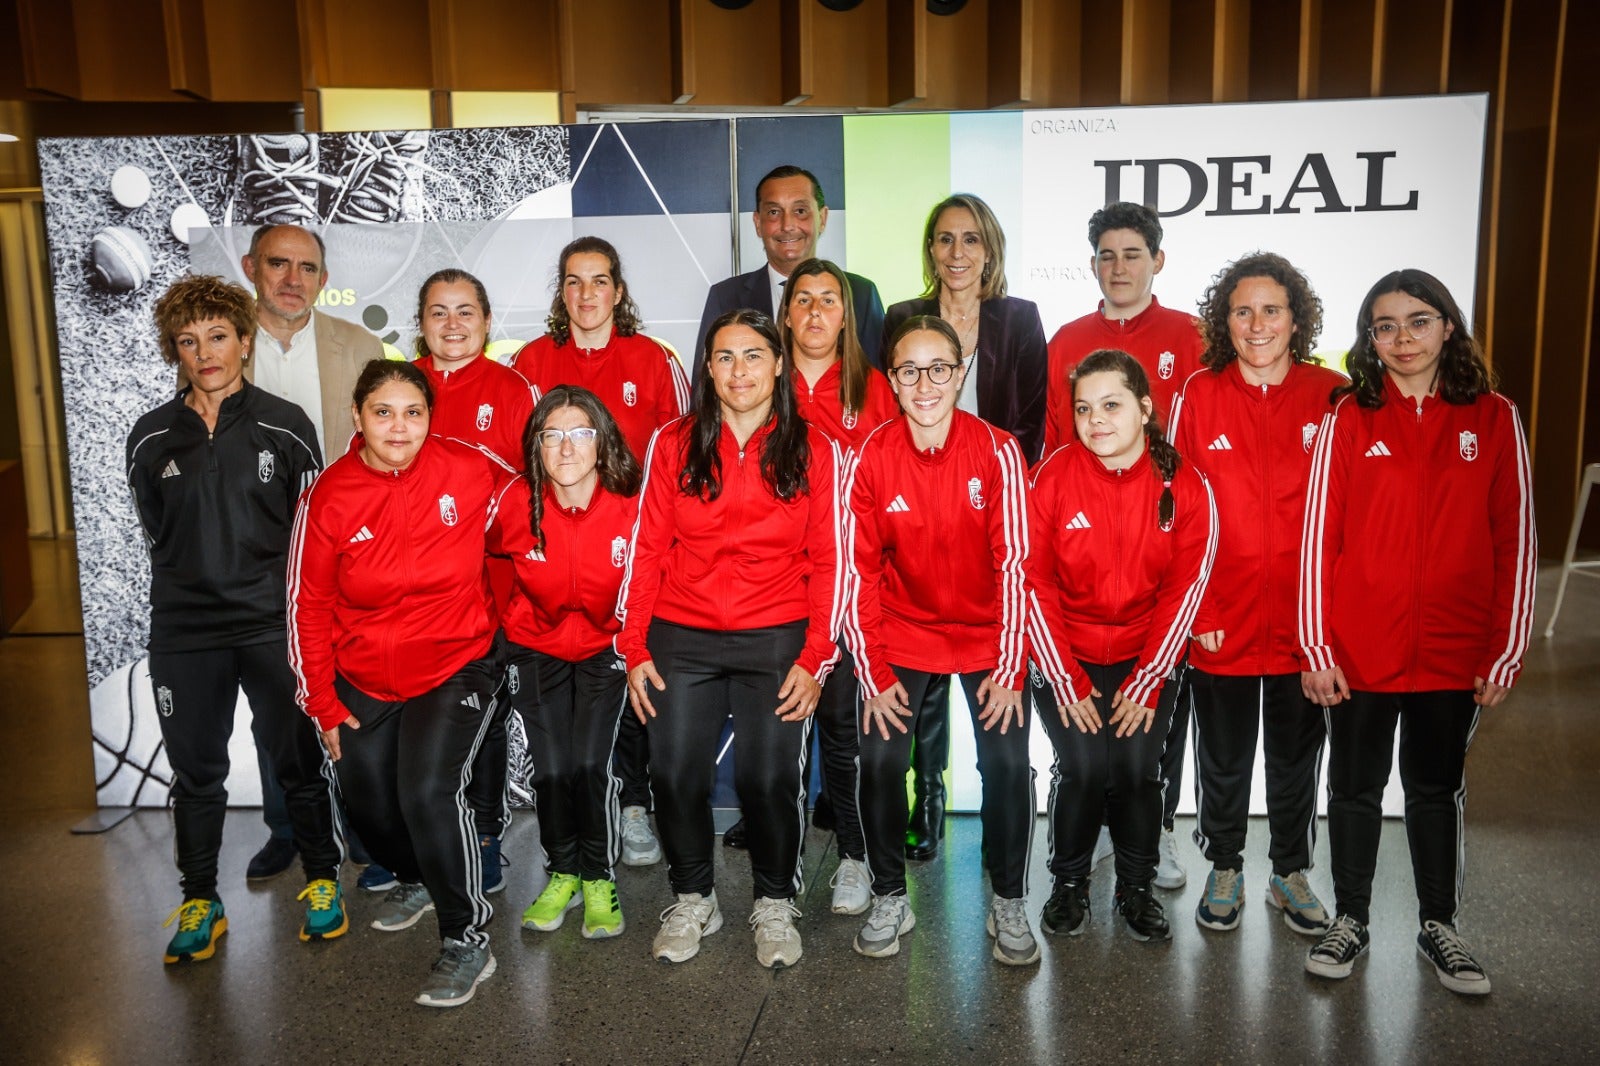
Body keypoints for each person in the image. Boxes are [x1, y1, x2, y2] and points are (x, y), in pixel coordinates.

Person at [1300, 269, 1535, 996]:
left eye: (1418, 322)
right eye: (1385, 326)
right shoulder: (1348, 416)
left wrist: (1507, 649)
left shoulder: (1494, 417)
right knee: (1355, 787)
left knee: (1435, 788)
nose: (1402, 339)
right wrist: (1317, 645)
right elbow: (1320, 540)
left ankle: (1441, 927)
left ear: (1448, 328)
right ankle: (1351, 919)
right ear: (1368, 339)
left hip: (1454, 652)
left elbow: (1516, 540)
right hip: (1360, 652)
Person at [618, 309, 842, 969]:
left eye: (752, 355)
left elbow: (832, 559)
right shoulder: (673, 441)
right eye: (724, 357)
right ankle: (693, 897)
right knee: (676, 773)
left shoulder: (815, 449)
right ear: (707, 367)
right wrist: (633, 647)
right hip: (679, 637)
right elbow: (648, 548)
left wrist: (815, 655)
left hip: (775, 637)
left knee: (769, 779)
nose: (738, 370)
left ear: (779, 363)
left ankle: (774, 902)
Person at [128, 275, 342, 963]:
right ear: (175, 352)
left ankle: (320, 881)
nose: (205, 353)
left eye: (218, 336)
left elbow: (312, 536)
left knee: (297, 763)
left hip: (270, 626)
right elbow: (157, 528)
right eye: (188, 342)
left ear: (245, 342)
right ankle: (200, 899)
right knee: (197, 773)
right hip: (185, 634)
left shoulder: (287, 426)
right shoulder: (151, 438)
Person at [287, 359, 502, 1008]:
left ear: (431, 418)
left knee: (428, 792)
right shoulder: (328, 494)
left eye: (414, 412)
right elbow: (306, 604)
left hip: (457, 659)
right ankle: (417, 874)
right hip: (365, 674)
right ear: (358, 418)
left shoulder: (468, 468)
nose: (399, 426)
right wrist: (320, 701)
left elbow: (533, 509)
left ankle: (467, 935)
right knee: (370, 800)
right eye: (384, 412)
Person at [844, 315, 1037, 965]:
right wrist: (872, 674)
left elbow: (1017, 567)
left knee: (1009, 765)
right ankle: (890, 895)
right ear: (892, 381)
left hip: (988, 637)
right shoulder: (873, 454)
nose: (924, 383)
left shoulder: (999, 451)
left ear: (960, 374)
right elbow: (859, 572)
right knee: (879, 761)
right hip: (905, 630)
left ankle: (1009, 899)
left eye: (938, 369)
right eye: (908, 370)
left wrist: (1011, 669)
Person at [1169, 252, 1344, 937]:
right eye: (1242, 310)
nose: (1257, 323)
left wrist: (1327, 624)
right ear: (1224, 321)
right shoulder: (1198, 394)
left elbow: (1348, 516)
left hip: (1307, 622)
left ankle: (1290, 871)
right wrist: (1200, 610)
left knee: (1297, 755)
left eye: (1272, 309)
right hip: (1223, 617)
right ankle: (1226, 864)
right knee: (1224, 755)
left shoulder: (1332, 395)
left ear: (1296, 319)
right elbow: (1176, 509)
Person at [1043, 202, 1207, 889]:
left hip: (1158, 548)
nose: (1119, 267)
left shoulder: (1192, 335)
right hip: (1082, 570)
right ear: (1092, 265)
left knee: (1149, 750)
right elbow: (1059, 440)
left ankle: (1155, 837)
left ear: (1157, 260)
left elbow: (1192, 445)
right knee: (1084, 760)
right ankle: (1071, 865)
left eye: (1132, 253)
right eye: (1106, 255)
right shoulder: (1068, 339)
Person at [510, 237, 688, 869]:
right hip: (556, 547)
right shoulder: (531, 360)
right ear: (562, 292)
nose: (587, 294)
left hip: (634, 546)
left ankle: (635, 805)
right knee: (566, 718)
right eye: (574, 282)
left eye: (600, 281)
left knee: (635, 680)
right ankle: (572, 839)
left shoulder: (653, 359)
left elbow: (685, 454)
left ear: (619, 290)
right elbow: (517, 464)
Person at [880, 193, 1048, 863]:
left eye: (971, 240)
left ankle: (1003, 839)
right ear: (930, 250)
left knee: (988, 689)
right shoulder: (900, 318)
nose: (957, 253)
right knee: (919, 692)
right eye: (945, 240)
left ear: (990, 249)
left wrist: (999, 489)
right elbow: (887, 412)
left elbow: (1032, 419)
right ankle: (929, 796)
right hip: (916, 510)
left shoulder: (1019, 318)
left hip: (992, 506)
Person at [1027, 349, 1216, 943]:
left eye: (1111, 405)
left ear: (1144, 408)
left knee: (1135, 769)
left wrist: (1147, 678)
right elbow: (1032, 581)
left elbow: (1187, 587)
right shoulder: (1053, 476)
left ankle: (1136, 885)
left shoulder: (1184, 482)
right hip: (1068, 654)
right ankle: (1070, 882)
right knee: (1083, 769)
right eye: (1084, 408)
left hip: (1145, 654)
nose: (1096, 420)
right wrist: (1066, 679)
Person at [230, 222, 383, 883]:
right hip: (256, 555)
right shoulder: (224, 350)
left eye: (308, 267)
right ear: (251, 267)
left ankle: (363, 827)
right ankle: (288, 828)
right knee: (277, 697)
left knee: (347, 691)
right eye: (279, 264)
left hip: (343, 553)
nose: (293, 279)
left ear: (323, 277)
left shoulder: (359, 345)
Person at [487, 386, 642, 940]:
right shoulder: (514, 504)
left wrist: (638, 646)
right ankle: (564, 873)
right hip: (536, 647)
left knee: (590, 766)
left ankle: (599, 876)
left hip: (607, 648)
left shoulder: (632, 505)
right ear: (536, 448)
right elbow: (479, 567)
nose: (566, 447)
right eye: (551, 436)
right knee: (552, 770)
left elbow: (651, 584)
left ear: (602, 443)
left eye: (579, 433)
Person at [412, 267, 540, 894]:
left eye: (466, 311)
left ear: (488, 322)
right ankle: (414, 846)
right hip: (412, 593)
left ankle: (487, 838)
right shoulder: (401, 387)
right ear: (421, 324)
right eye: (439, 312)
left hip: (491, 590)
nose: (453, 324)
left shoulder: (513, 388)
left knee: (483, 719)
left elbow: (531, 486)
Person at [779, 257, 899, 916]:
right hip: (781, 587)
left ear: (846, 316)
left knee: (843, 733)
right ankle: (783, 871)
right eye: (804, 299)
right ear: (788, 313)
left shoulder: (874, 387)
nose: (817, 311)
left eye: (830, 299)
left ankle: (853, 857)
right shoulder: (764, 384)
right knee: (785, 738)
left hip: (852, 587)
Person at [696, 164, 887, 373]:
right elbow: (704, 390)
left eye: (800, 211)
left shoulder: (861, 294)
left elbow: (879, 387)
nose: (787, 225)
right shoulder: (724, 298)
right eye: (774, 212)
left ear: (822, 219)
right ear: (758, 223)